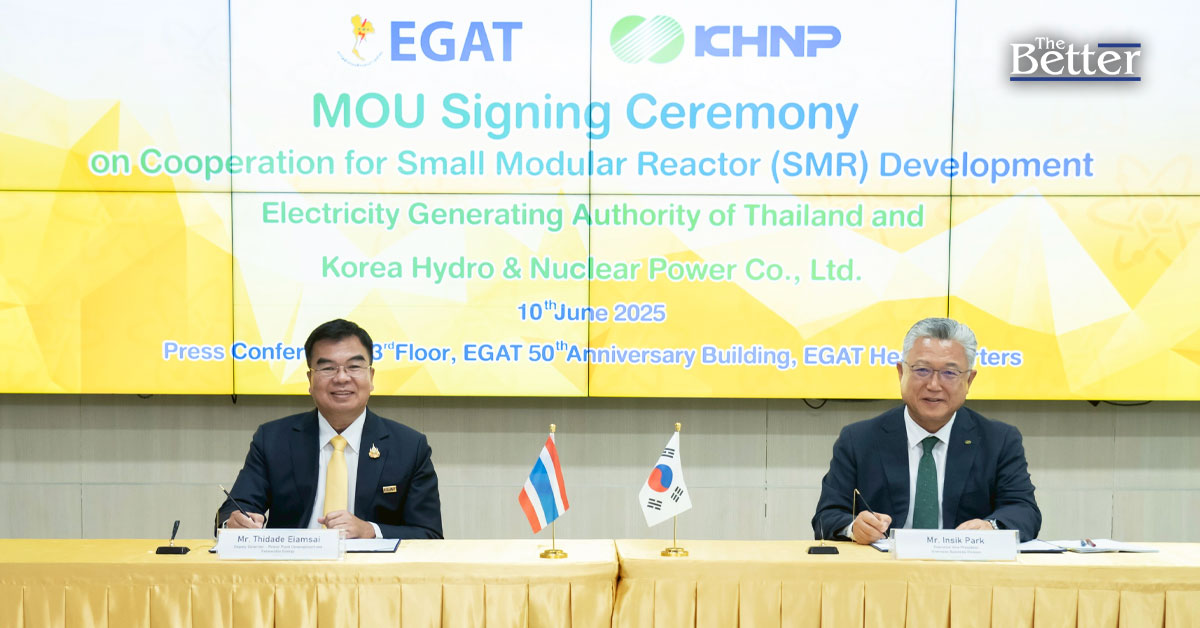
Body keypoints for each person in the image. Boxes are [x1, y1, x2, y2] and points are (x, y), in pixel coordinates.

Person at [812, 317, 1040, 543]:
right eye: (922, 370)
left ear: (969, 380)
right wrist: (854, 528)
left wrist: (991, 527)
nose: (933, 385)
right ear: (901, 372)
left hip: (965, 564)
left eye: (949, 373)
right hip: (886, 565)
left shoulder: (999, 441)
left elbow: (1024, 512)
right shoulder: (859, 439)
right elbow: (826, 516)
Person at [216, 319, 442, 539]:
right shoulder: (273, 439)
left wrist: (370, 531)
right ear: (310, 379)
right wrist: (234, 524)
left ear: (371, 377)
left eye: (354, 367)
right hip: (293, 563)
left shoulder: (409, 447)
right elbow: (235, 508)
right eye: (327, 368)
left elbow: (429, 534)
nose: (342, 378)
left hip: (370, 564)